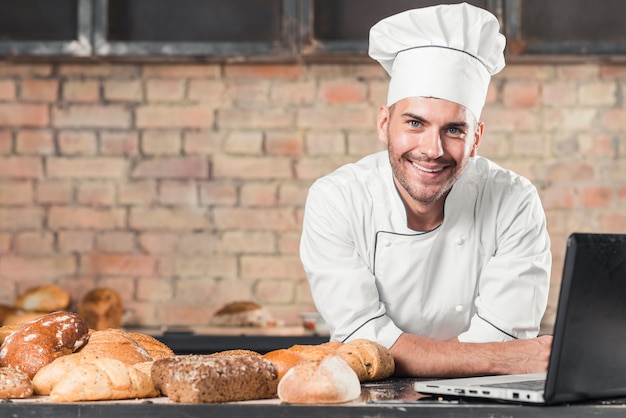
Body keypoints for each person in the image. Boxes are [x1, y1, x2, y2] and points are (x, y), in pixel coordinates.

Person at [299, 3, 553, 377]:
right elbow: (364, 344)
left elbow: (505, 333)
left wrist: (401, 352)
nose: (432, 150)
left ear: (476, 137)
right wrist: (502, 358)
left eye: (454, 129)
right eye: (415, 122)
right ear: (384, 123)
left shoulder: (513, 201)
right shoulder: (337, 200)